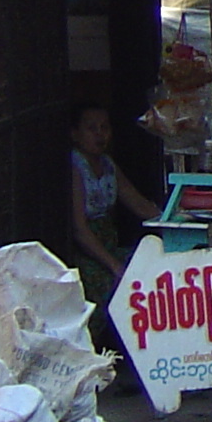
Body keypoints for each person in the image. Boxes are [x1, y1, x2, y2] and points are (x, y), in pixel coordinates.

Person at [67, 103, 160, 305]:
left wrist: (171, 218)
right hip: (85, 253)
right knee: (115, 288)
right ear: (75, 134)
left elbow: (137, 203)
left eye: (104, 127)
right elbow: (79, 230)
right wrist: (114, 266)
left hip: (109, 246)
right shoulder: (75, 166)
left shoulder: (107, 164)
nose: (100, 134)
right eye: (92, 128)